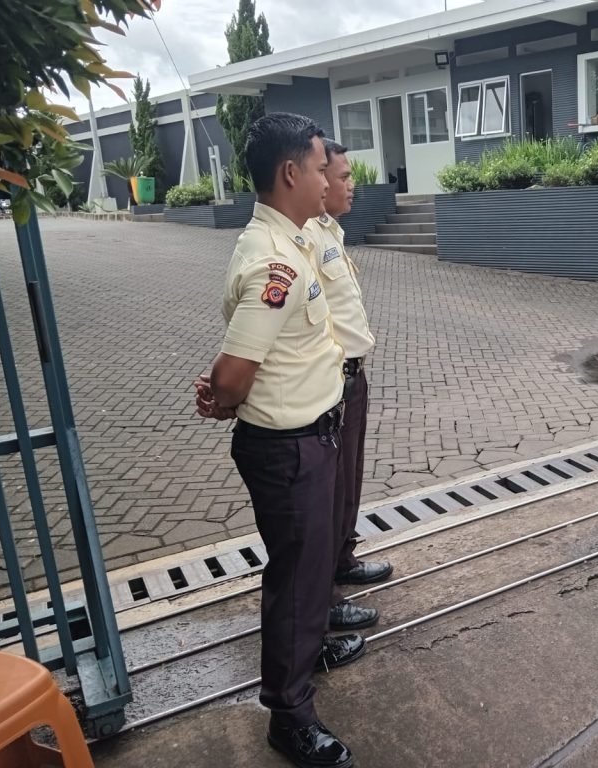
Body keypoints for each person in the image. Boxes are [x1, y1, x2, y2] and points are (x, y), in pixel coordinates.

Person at [196, 112, 359, 768]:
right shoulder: (275, 263)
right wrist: (221, 391)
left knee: (311, 567)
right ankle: (289, 716)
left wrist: (223, 384)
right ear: (291, 172)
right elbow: (236, 372)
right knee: (296, 578)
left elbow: (254, 354)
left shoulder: (287, 241)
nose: (328, 178)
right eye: (321, 167)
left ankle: (309, 645)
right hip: (290, 449)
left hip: (305, 439)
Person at [306, 139, 393, 634]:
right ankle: (327, 599)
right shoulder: (306, 239)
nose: (348, 184)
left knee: (349, 481)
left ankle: (343, 559)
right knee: (330, 490)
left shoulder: (329, 231)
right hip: (332, 381)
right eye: (340, 176)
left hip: (351, 376)